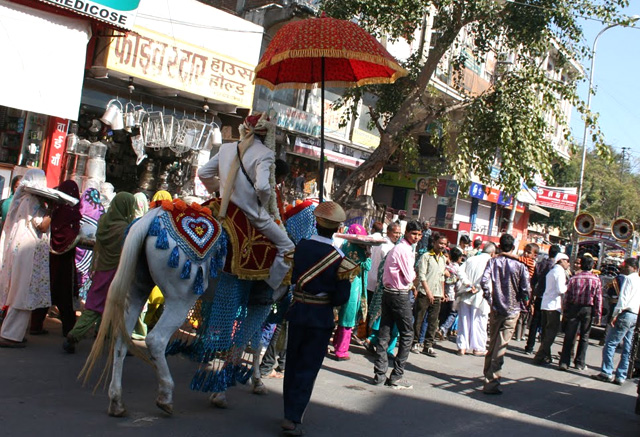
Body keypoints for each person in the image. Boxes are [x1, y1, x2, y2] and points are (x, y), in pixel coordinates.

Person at [281, 201, 355, 436]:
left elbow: (290, 279)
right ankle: (293, 417)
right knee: (308, 367)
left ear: (317, 222)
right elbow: (341, 297)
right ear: (336, 228)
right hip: (320, 317)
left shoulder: (300, 247)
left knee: (292, 363)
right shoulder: (340, 258)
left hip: (298, 311)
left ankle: (288, 413)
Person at [198, 113, 294, 291]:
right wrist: (260, 204)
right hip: (249, 211)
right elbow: (264, 188)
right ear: (266, 134)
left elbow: (203, 173)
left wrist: (222, 189)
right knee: (287, 246)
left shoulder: (226, 148)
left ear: (245, 129)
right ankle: (265, 291)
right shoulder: (265, 153)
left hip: (222, 207)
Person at [64, 192, 136, 353]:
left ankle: (109, 336)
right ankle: (75, 335)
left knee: (104, 305)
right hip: (116, 272)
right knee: (104, 305)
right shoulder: (125, 229)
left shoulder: (105, 221)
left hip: (102, 267)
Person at [0, 170, 51, 348]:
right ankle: (10, 335)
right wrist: (52, 210)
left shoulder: (23, 199)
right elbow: (42, 226)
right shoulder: (33, 201)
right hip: (27, 253)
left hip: (21, 250)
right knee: (22, 293)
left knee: (19, 291)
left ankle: (12, 333)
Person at [372, 220, 422, 390]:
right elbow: (409, 277)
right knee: (407, 334)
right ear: (407, 233)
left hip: (389, 293)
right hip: (398, 295)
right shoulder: (403, 250)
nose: (416, 237)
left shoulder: (400, 248)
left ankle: (379, 374)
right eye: (414, 234)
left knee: (384, 334)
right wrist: (414, 273)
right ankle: (396, 376)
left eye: (419, 234)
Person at [31, 180, 82, 337]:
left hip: (49, 260)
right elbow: (73, 236)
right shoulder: (73, 213)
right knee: (65, 297)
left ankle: (36, 325)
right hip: (65, 262)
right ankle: (68, 331)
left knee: (45, 290)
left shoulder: (55, 210)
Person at [480, 233, 530, 394]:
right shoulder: (520, 266)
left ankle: (487, 375)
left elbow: (484, 282)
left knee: (493, 343)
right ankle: (491, 382)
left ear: (499, 246)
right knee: (500, 347)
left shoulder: (493, 262)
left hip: (496, 309)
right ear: (513, 247)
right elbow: (526, 290)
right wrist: (524, 301)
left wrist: (490, 299)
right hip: (512, 310)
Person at [592, 257, 640, 385]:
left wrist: (614, 315)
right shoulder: (638, 281)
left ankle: (606, 372)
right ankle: (621, 375)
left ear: (634, 268)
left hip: (625, 314)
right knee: (627, 347)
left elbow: (623, 299)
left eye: (626, 266)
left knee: (611, 344)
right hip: (634, 315)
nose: (623, 268)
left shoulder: (628, 279)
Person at [333, 224, 371, 361]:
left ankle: (337, 343)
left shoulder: (345, 245)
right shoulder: (359, 250)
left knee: (343, 316)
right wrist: (368, 255)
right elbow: (367, 266)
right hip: (353, 286)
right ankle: (341, 350)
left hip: (343, 283)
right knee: (348, 319)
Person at [558, 254, 602, 371]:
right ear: (592, 266)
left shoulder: (574, 279)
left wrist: (565, 310)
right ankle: (580, 363)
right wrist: (598, 314)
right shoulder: (596, 280)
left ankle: (564, 362)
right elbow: (598, 298)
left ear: (581, 265)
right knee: (584, 336)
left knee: (570, 335)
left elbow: (567, 296)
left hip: (574, 308)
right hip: (588, 309)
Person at [456, 242, 495, 356]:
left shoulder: (471, 259)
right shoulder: (491, 262)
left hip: (467, 293)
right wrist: (477, 287)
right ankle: (478, 348)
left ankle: (462, 347)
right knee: (479, 322)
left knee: (464, 320)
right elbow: (488, 279)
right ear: (492, 253)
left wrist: (468, 284)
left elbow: (459, 271)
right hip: (481, 295)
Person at [412, 232, 448, 357]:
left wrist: (443, 293)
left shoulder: (443, 258)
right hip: (424, 293)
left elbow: (442, 277)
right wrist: (428, 292)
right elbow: (421, 275)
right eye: (440, 243)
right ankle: (415, 342)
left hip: (437, 293)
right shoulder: (426, 256)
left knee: (433, 321)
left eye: (444, 244)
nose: (442, 246)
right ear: (434, 243)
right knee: (419, 319)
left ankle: (428, 345)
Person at [533, 253, 570, 365]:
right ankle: (540, 356)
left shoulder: (552, 271)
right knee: (551, 333)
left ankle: (546, 356)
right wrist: (570, 285)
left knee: (546, 332)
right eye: (567, 260)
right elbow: (561, 289)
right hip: (554, 306)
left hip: (546, 304)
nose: (568, 263)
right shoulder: (559, 272)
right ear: (561, 261)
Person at [524, 245, 561, 354]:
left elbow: (533, 281)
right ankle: (544, 350)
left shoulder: (540, 264)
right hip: (550, 298)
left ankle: (529, 346)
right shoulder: (555, 268)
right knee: (546, 325)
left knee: (534, 322)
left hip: (539, 296)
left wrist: (532, 294)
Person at [75, 187, 105, 298]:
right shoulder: (101, 210)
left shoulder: (80, 207)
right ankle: (81, 297)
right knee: (85, 273)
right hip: (91, 250)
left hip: (77, 245)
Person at [514, 243, 539, 342]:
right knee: (522, 313)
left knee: (524, 313)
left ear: (534, 255)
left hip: (526, 291)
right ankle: (519, 334)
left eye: (528, 252)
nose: (525, 254)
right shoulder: (525, 262)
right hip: (523, 289)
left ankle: (520, 334)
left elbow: (517, 258)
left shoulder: (530, 262)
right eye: (525, 251)